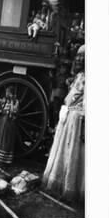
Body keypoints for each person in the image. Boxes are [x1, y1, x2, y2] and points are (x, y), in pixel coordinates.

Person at [42, 45, 85, 203]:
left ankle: (70, 186)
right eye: (78, 56)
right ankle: (60, 182)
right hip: (68, 116)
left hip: (76, 118)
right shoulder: (78, 76)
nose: (79, 59)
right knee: (63, 152)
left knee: (73, 153)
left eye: (83, 56)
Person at [0, 86, 19, 165]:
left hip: (9, 123)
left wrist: (12, 101)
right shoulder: (3, 100)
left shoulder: (15, 102)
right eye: (7, 92)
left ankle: (5, 160)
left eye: (9, 92)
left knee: (6, 140)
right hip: (2, 121)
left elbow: (14, 111)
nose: (7, 94)